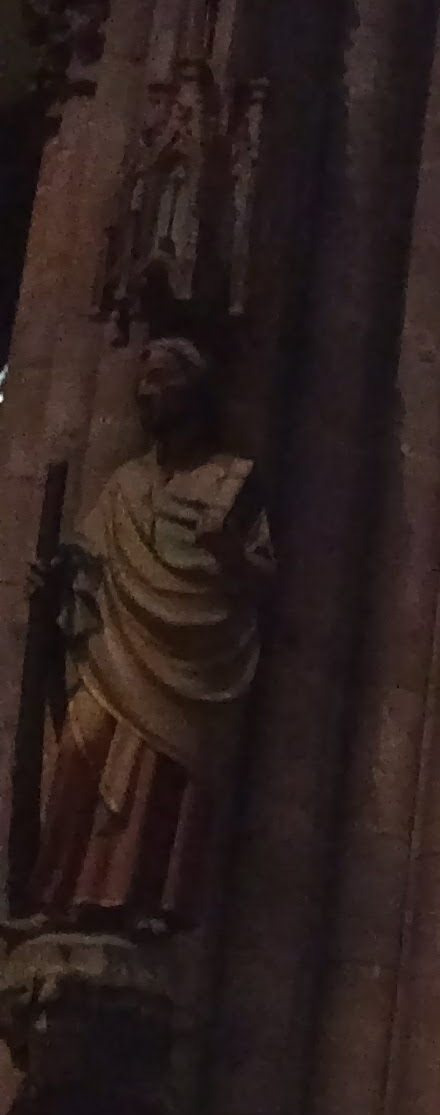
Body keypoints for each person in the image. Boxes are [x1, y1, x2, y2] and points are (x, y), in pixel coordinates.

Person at [31, 332, 273, 930]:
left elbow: (263, 577)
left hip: (189, 655)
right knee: (79, 748)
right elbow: (89, 562)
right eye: (143, 380)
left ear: (195, 392)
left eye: (161, 379)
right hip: (117, 644)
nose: (146, 392)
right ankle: (55, 899)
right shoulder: (126, 483)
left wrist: (229, 554)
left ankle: (139, 904)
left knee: (159, 772)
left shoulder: (229, 480)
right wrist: (57, 577)